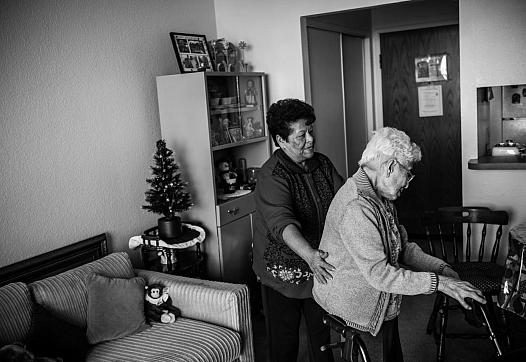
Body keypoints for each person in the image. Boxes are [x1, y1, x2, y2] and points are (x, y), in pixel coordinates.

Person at [312, 127, 486, 362]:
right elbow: (380, 275)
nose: (409, 182)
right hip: (358, 308)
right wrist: (439, 284)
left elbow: (402, 248)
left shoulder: (381, 197)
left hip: (379, 303)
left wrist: (442, 270)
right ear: (390, 166)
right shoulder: (357, 207)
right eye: (409, 172)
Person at [252, 98, 344, 362]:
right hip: (283, 273)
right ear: (281, 140)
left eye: (311, 131)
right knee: (284, 342)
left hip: (319, 267)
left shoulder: (322, 164)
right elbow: (284, 224)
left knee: (322, 335)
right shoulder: (272, 175)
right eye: (302, 135)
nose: (311, 139)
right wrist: (310, 255)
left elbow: (344, 200)